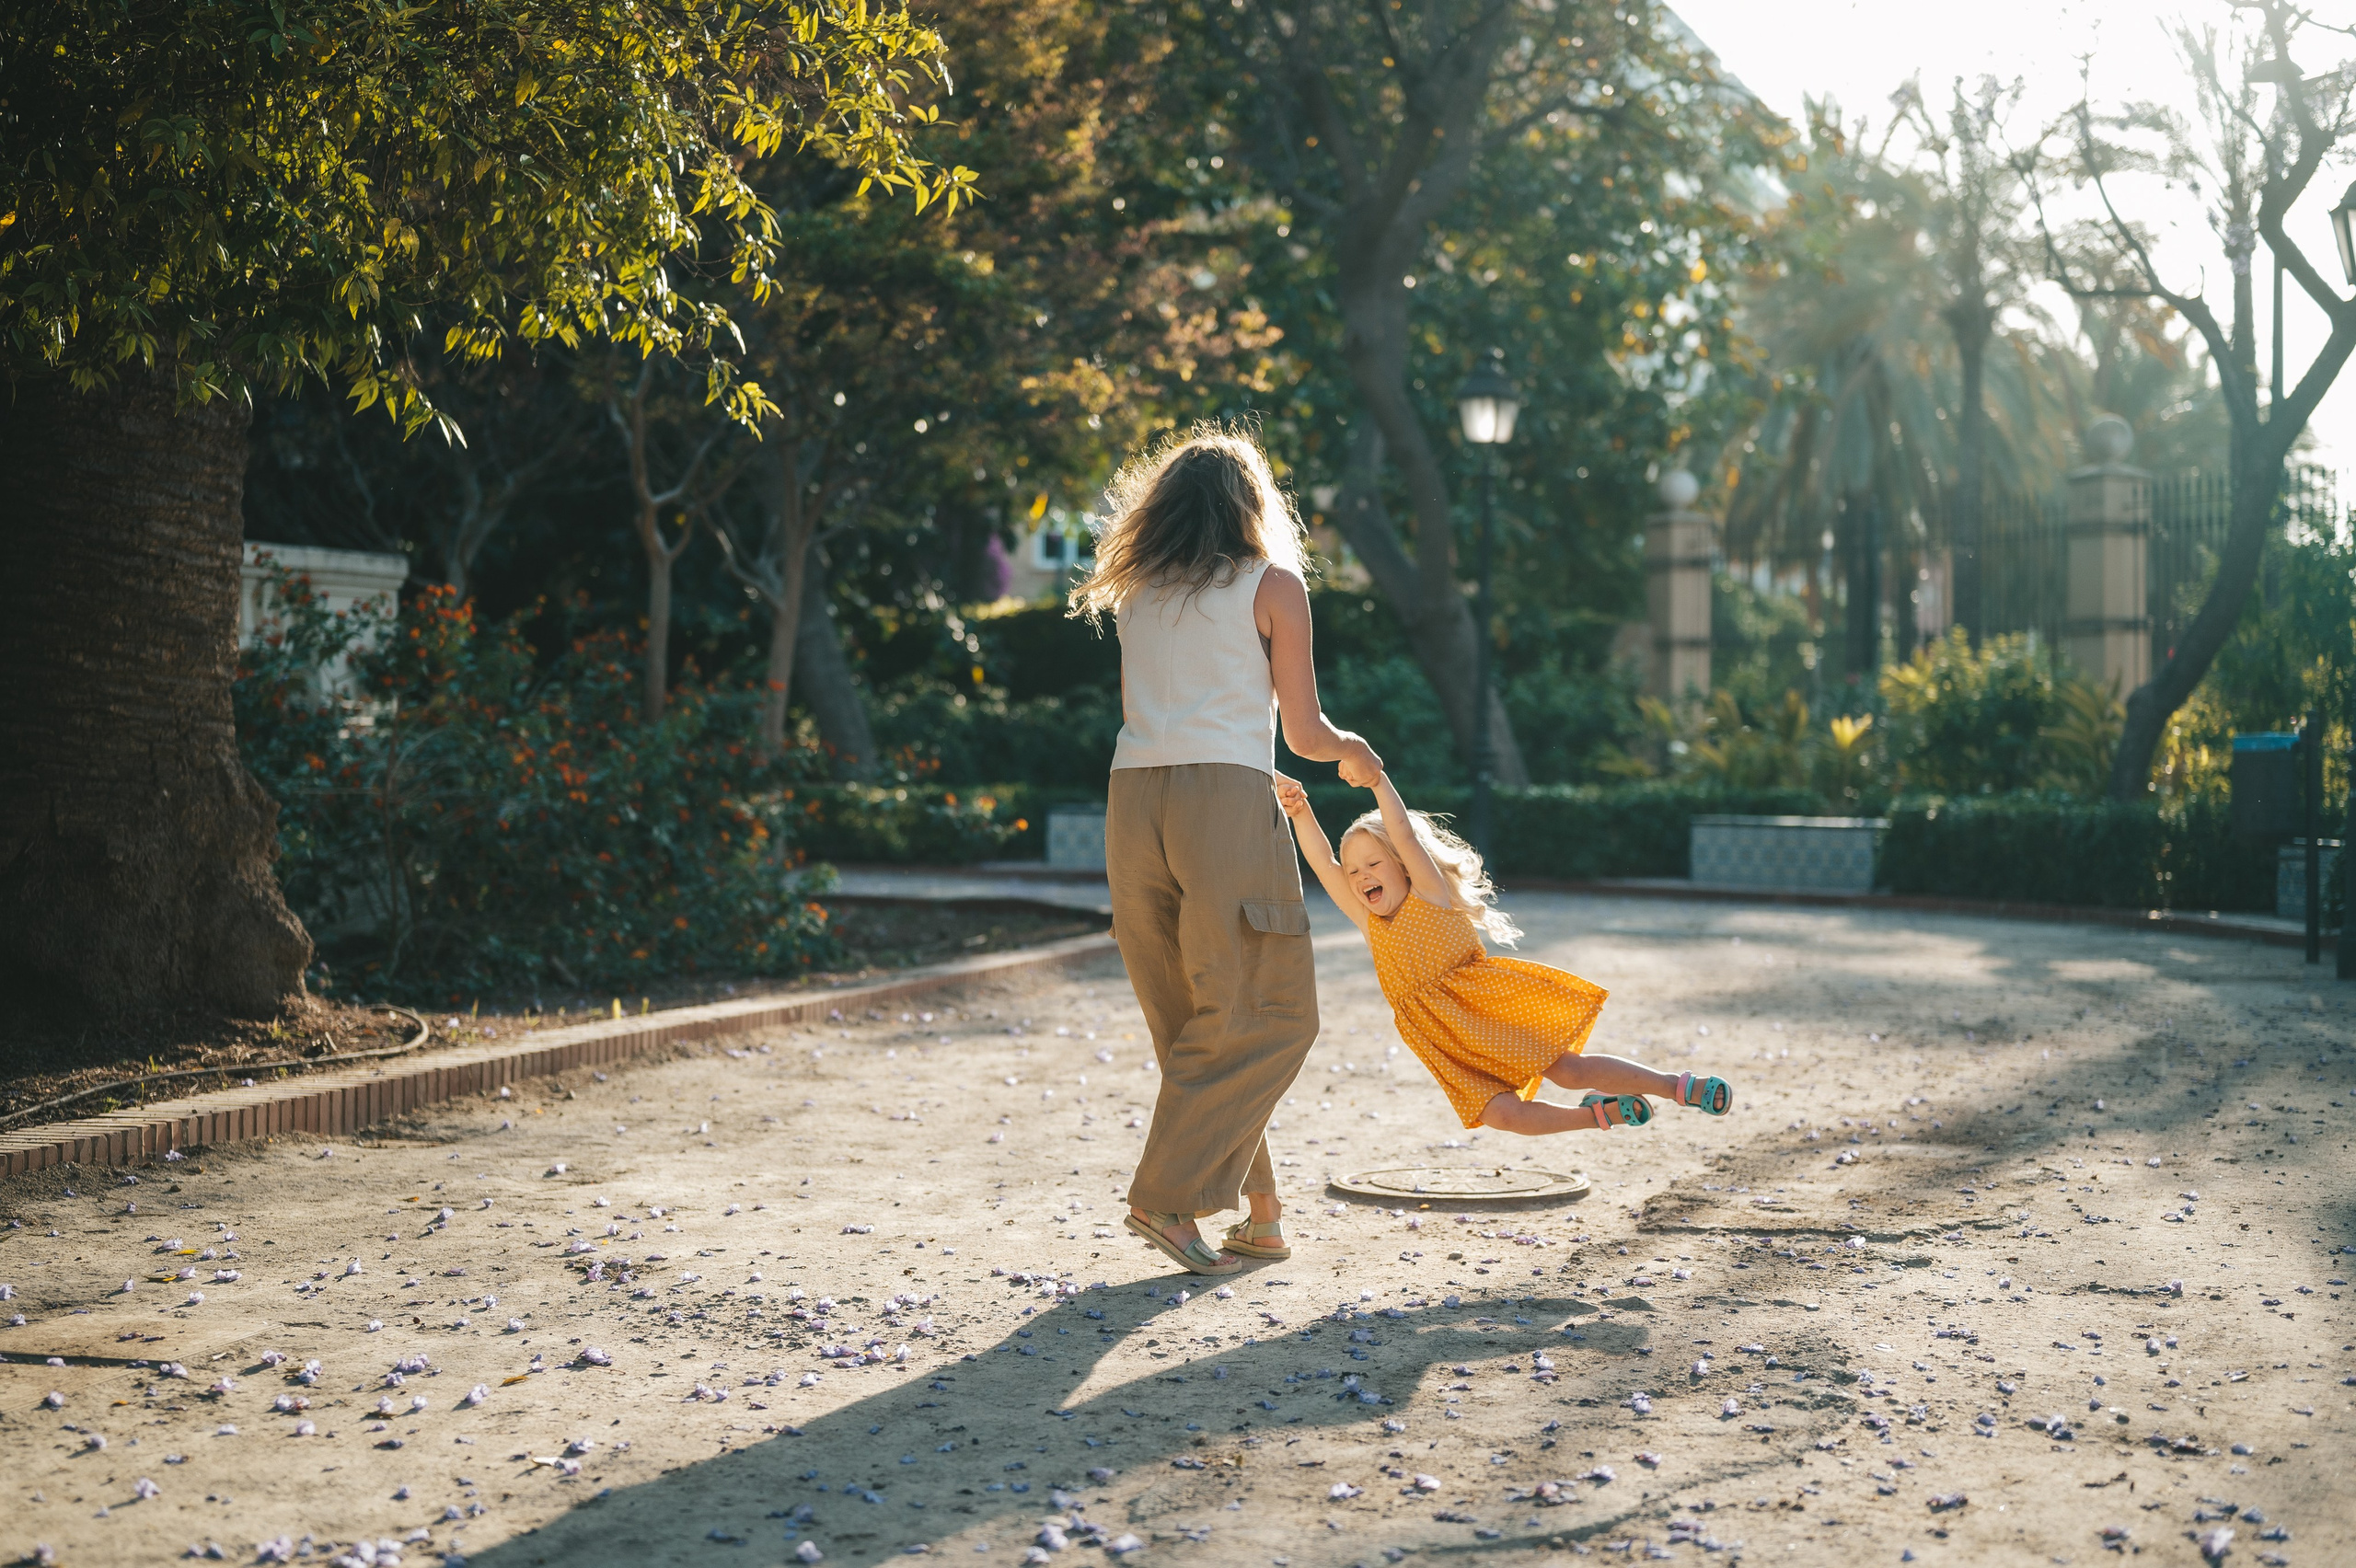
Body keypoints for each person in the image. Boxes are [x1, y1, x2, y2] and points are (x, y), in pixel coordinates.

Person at [1069, 421, 1381, 1277]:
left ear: (1164, 508)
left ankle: (1263, 1214)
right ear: (1252, 505)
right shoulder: (1272, 584)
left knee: (1197, 1023)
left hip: (1133, 800)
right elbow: (1306, 735)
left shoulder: (1137, 594)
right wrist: (1357, 751)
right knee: (1273, 1011)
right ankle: (1163, 1199)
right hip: (1224, 799)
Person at [1276, 769, 1734, 1136]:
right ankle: (1597, 1115)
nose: (1360, 876)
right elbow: (1323, 863)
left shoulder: (1429, 893)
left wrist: (1378, 781)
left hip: (1485, 1007)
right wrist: (1299, 811)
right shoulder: (1369, 921)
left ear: (1402, 864)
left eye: (1373, 863)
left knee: (1570, 1072)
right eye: (1354, 870)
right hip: (1439, 1035)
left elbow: (1405, 834)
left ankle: (1676, 1086)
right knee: (1503, 1116)